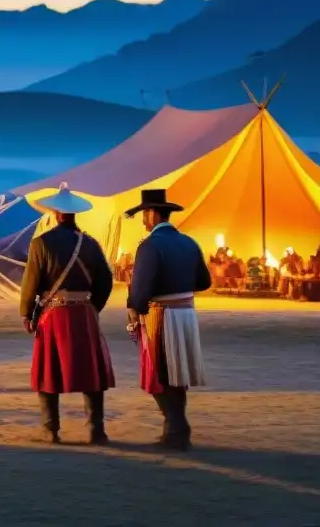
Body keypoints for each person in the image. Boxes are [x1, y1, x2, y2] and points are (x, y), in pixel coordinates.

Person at [20, 186, 114, 444]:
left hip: (53, 315)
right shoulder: (91, 244)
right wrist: (93, 307)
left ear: (54, 212)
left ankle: (51, 429)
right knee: (91, 373)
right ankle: (96, 429)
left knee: (48, 372)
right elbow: (106, 281)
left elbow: (32, 282)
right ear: (74, 213)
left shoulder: (41, 243)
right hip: (84, 314)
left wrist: (27, 313)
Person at [125, 188, 211, 451]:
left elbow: (140, 289)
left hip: (160, 315)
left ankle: (176, 428)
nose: (143, 220)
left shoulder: (149, 245)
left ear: (151, 213)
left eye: (144, 214)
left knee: (159, 373)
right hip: (186, 313)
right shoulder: (189, 242)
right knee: (177, 373)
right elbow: (204, 282)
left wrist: (133, 310)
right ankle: (175, 428)